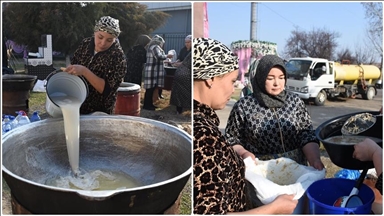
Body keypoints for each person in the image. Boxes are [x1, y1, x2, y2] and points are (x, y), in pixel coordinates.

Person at [193, 38, 298, 214]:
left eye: (281, 77)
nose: (232, 88)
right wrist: (273, 208)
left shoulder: (204, 123)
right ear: (211, 78)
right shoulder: (204, 135)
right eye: (232, 81)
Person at [63, 16, 127, 114]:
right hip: (77, 103)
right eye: (100, 37)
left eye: (109, 40)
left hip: (99, 110)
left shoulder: (118, 57)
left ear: (115, 39)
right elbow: (74, 66)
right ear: (94, 32)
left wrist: (84, 71)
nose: (103, 43)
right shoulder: (85, 44)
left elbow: (106, 90)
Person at [142, 35, 173, 110]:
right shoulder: (155, 47)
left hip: (152, 70)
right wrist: (167, 56)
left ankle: (150, 104)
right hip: (153, 71)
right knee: (150, 90)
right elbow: (159, 56)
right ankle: (147, 105)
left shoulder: (152, 47)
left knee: (151, 89)